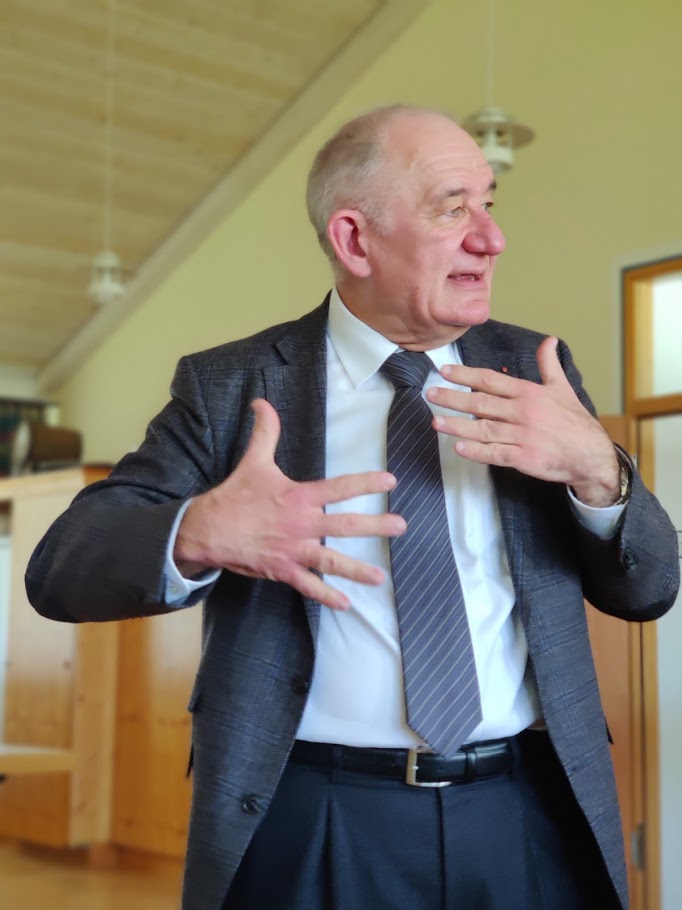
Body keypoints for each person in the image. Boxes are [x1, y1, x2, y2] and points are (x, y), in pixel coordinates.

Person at [26, 105, 679, 910]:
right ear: (354, 240)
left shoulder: (533, 367)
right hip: (315, 818)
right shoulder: (232, 388)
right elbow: (59, 569)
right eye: (453, 209)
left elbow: (650, 589)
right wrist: (197, 532)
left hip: (526, 810)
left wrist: (600, 472)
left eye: (488, 204)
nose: (492, 239)